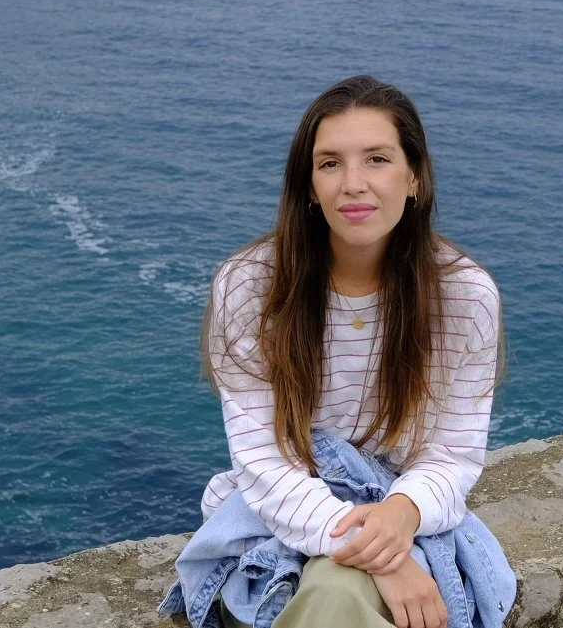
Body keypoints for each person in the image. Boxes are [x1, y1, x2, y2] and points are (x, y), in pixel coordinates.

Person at [198, 74, 507, 628]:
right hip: (282, 513)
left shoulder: (464, 295)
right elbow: (265, 463)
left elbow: (453, 456)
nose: (354, 184)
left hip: (400, 507)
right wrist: (379, 555)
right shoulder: (251, 288)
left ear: (415, 176)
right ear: (309, 187)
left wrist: (400, 514)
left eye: (378, 160)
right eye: (330, 163)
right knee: (341, 594)